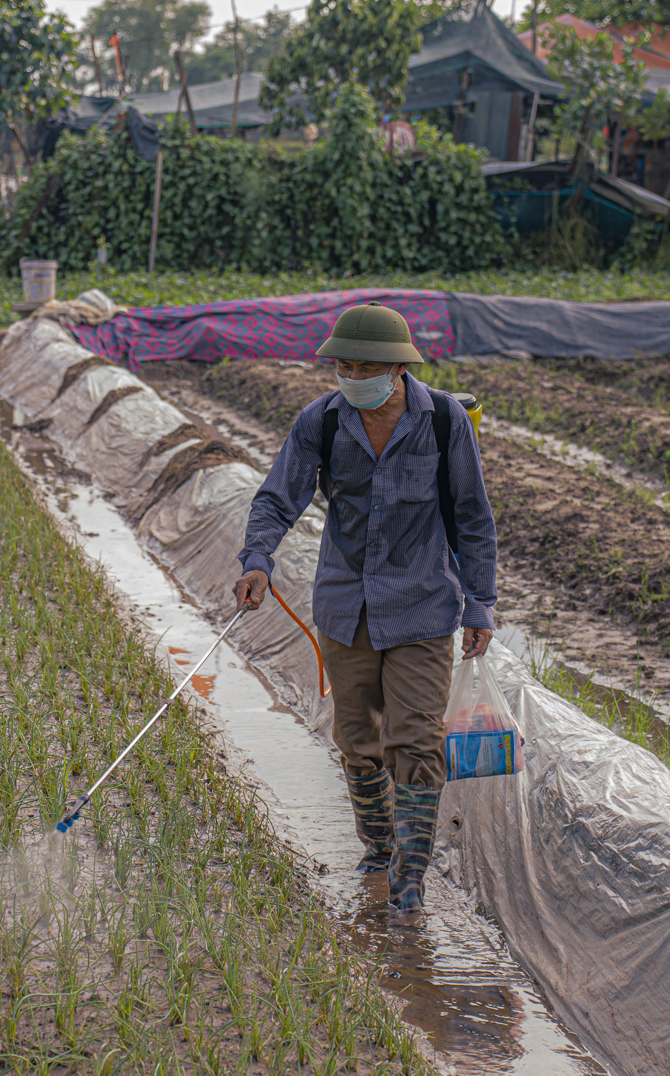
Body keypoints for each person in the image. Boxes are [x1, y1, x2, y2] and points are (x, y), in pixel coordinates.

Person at [233, 302, 497, 912]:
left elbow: (472, 518)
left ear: (397, 368)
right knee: (357, 738)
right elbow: (277, 498)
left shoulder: (443, 422)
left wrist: (479, 603)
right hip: (345, 601)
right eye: (342, 366)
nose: (352, 376)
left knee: (417, 739)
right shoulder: (321, 421)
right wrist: (257, 560)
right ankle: (378, 846)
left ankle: (410, 874)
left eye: (364, 366)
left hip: (423, 603)